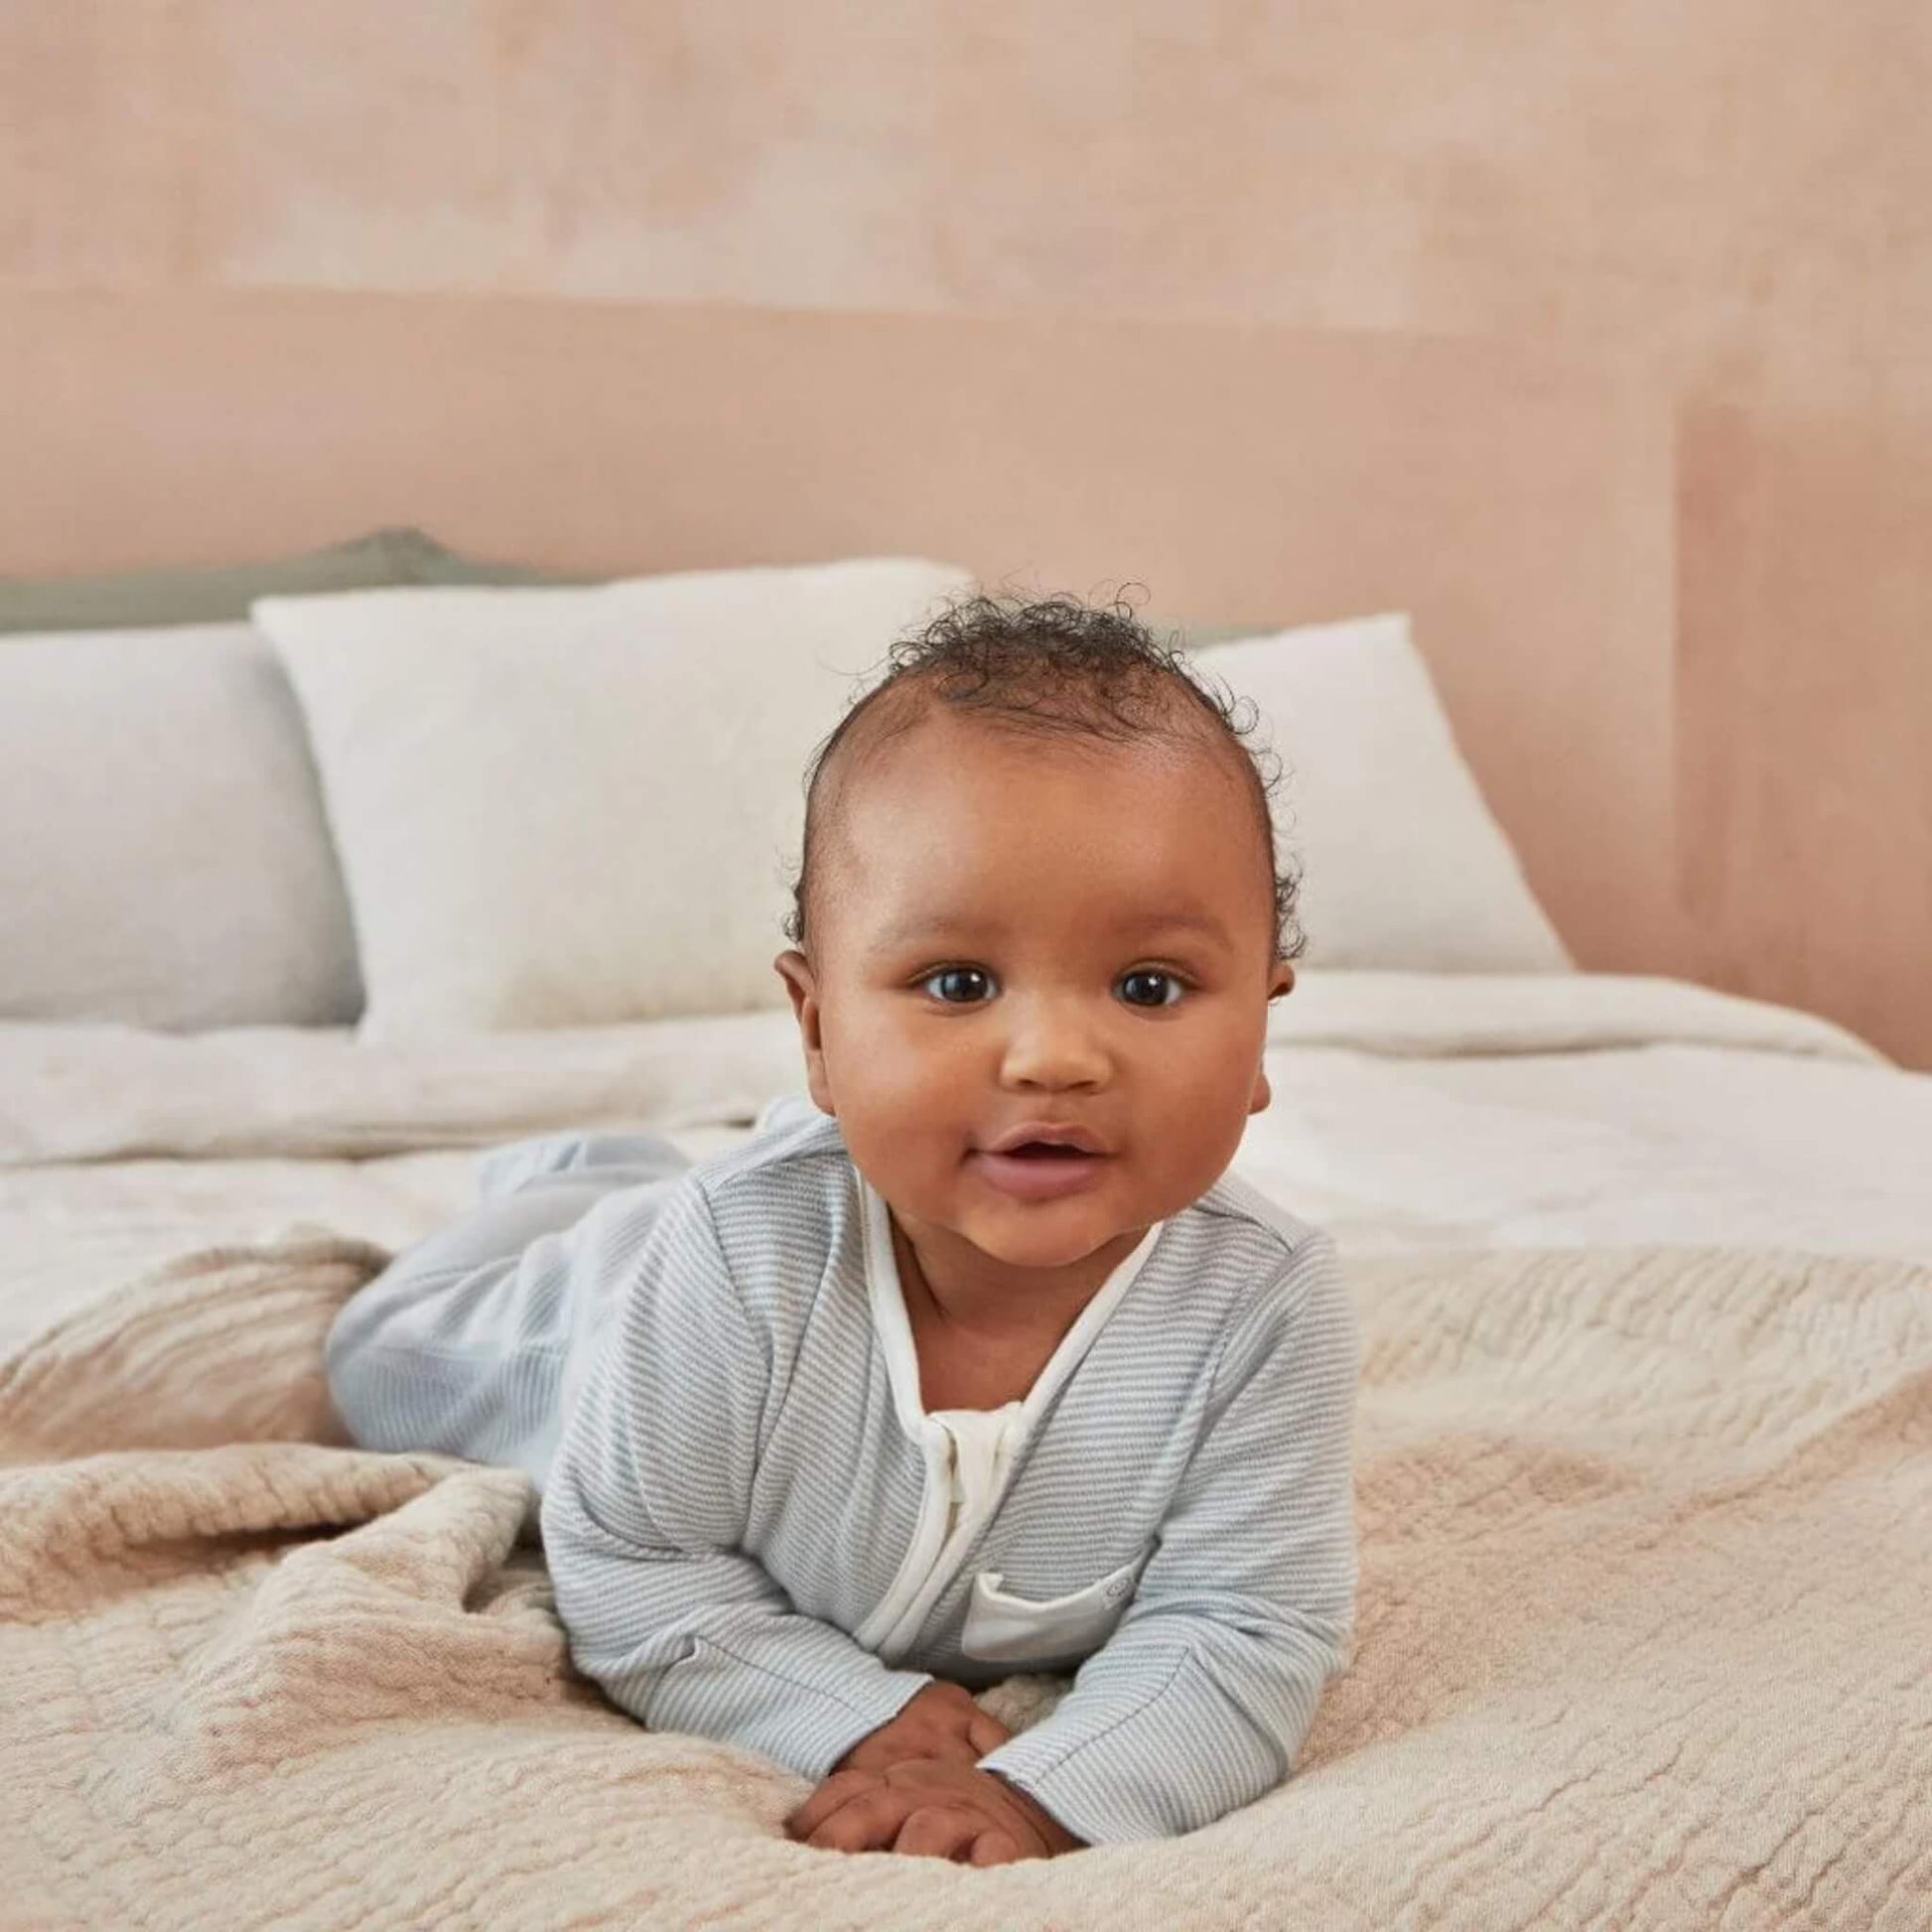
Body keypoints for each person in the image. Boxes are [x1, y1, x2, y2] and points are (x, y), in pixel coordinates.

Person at [324, 593, 1359, 1863]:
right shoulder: (730, 1256)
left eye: (1148, 986)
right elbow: (636, 1562)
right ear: (816, 1030)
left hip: (712, 1230)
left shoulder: (1264, 1304)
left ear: (1260, 1027)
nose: (1051, 1056)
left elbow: (1242, 1628)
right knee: (372, 1354)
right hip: (575, 1320)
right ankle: (576, 1186)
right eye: (957, 983)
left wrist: (1041, 1790)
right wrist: (848, 1707)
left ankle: (618, 1174)